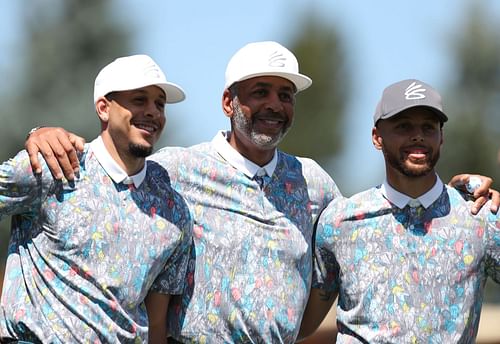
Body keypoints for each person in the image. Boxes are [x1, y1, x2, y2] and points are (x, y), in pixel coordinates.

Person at [24, 44, 498, 343]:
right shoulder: (175, 171)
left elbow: (378, 222)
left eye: (285, 95)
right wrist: (43, 134)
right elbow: (109, 170)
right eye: (260, 92)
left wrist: (458, 192)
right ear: (229, 102)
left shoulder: (315, 185)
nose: (274, 104)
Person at [0, 54, 193, 343]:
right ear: (104, 108)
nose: (153, 112)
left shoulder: (173, 211)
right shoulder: (53, 165)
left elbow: (156, 325)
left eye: (160, 104)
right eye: (139, 100)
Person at [299, 79, 500, 343]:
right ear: (376, 137)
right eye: (403, 126)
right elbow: (300, 324)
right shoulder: (340, 221)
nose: (417, 135)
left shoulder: (481, 218)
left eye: (428, 127)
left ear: (441, 138)